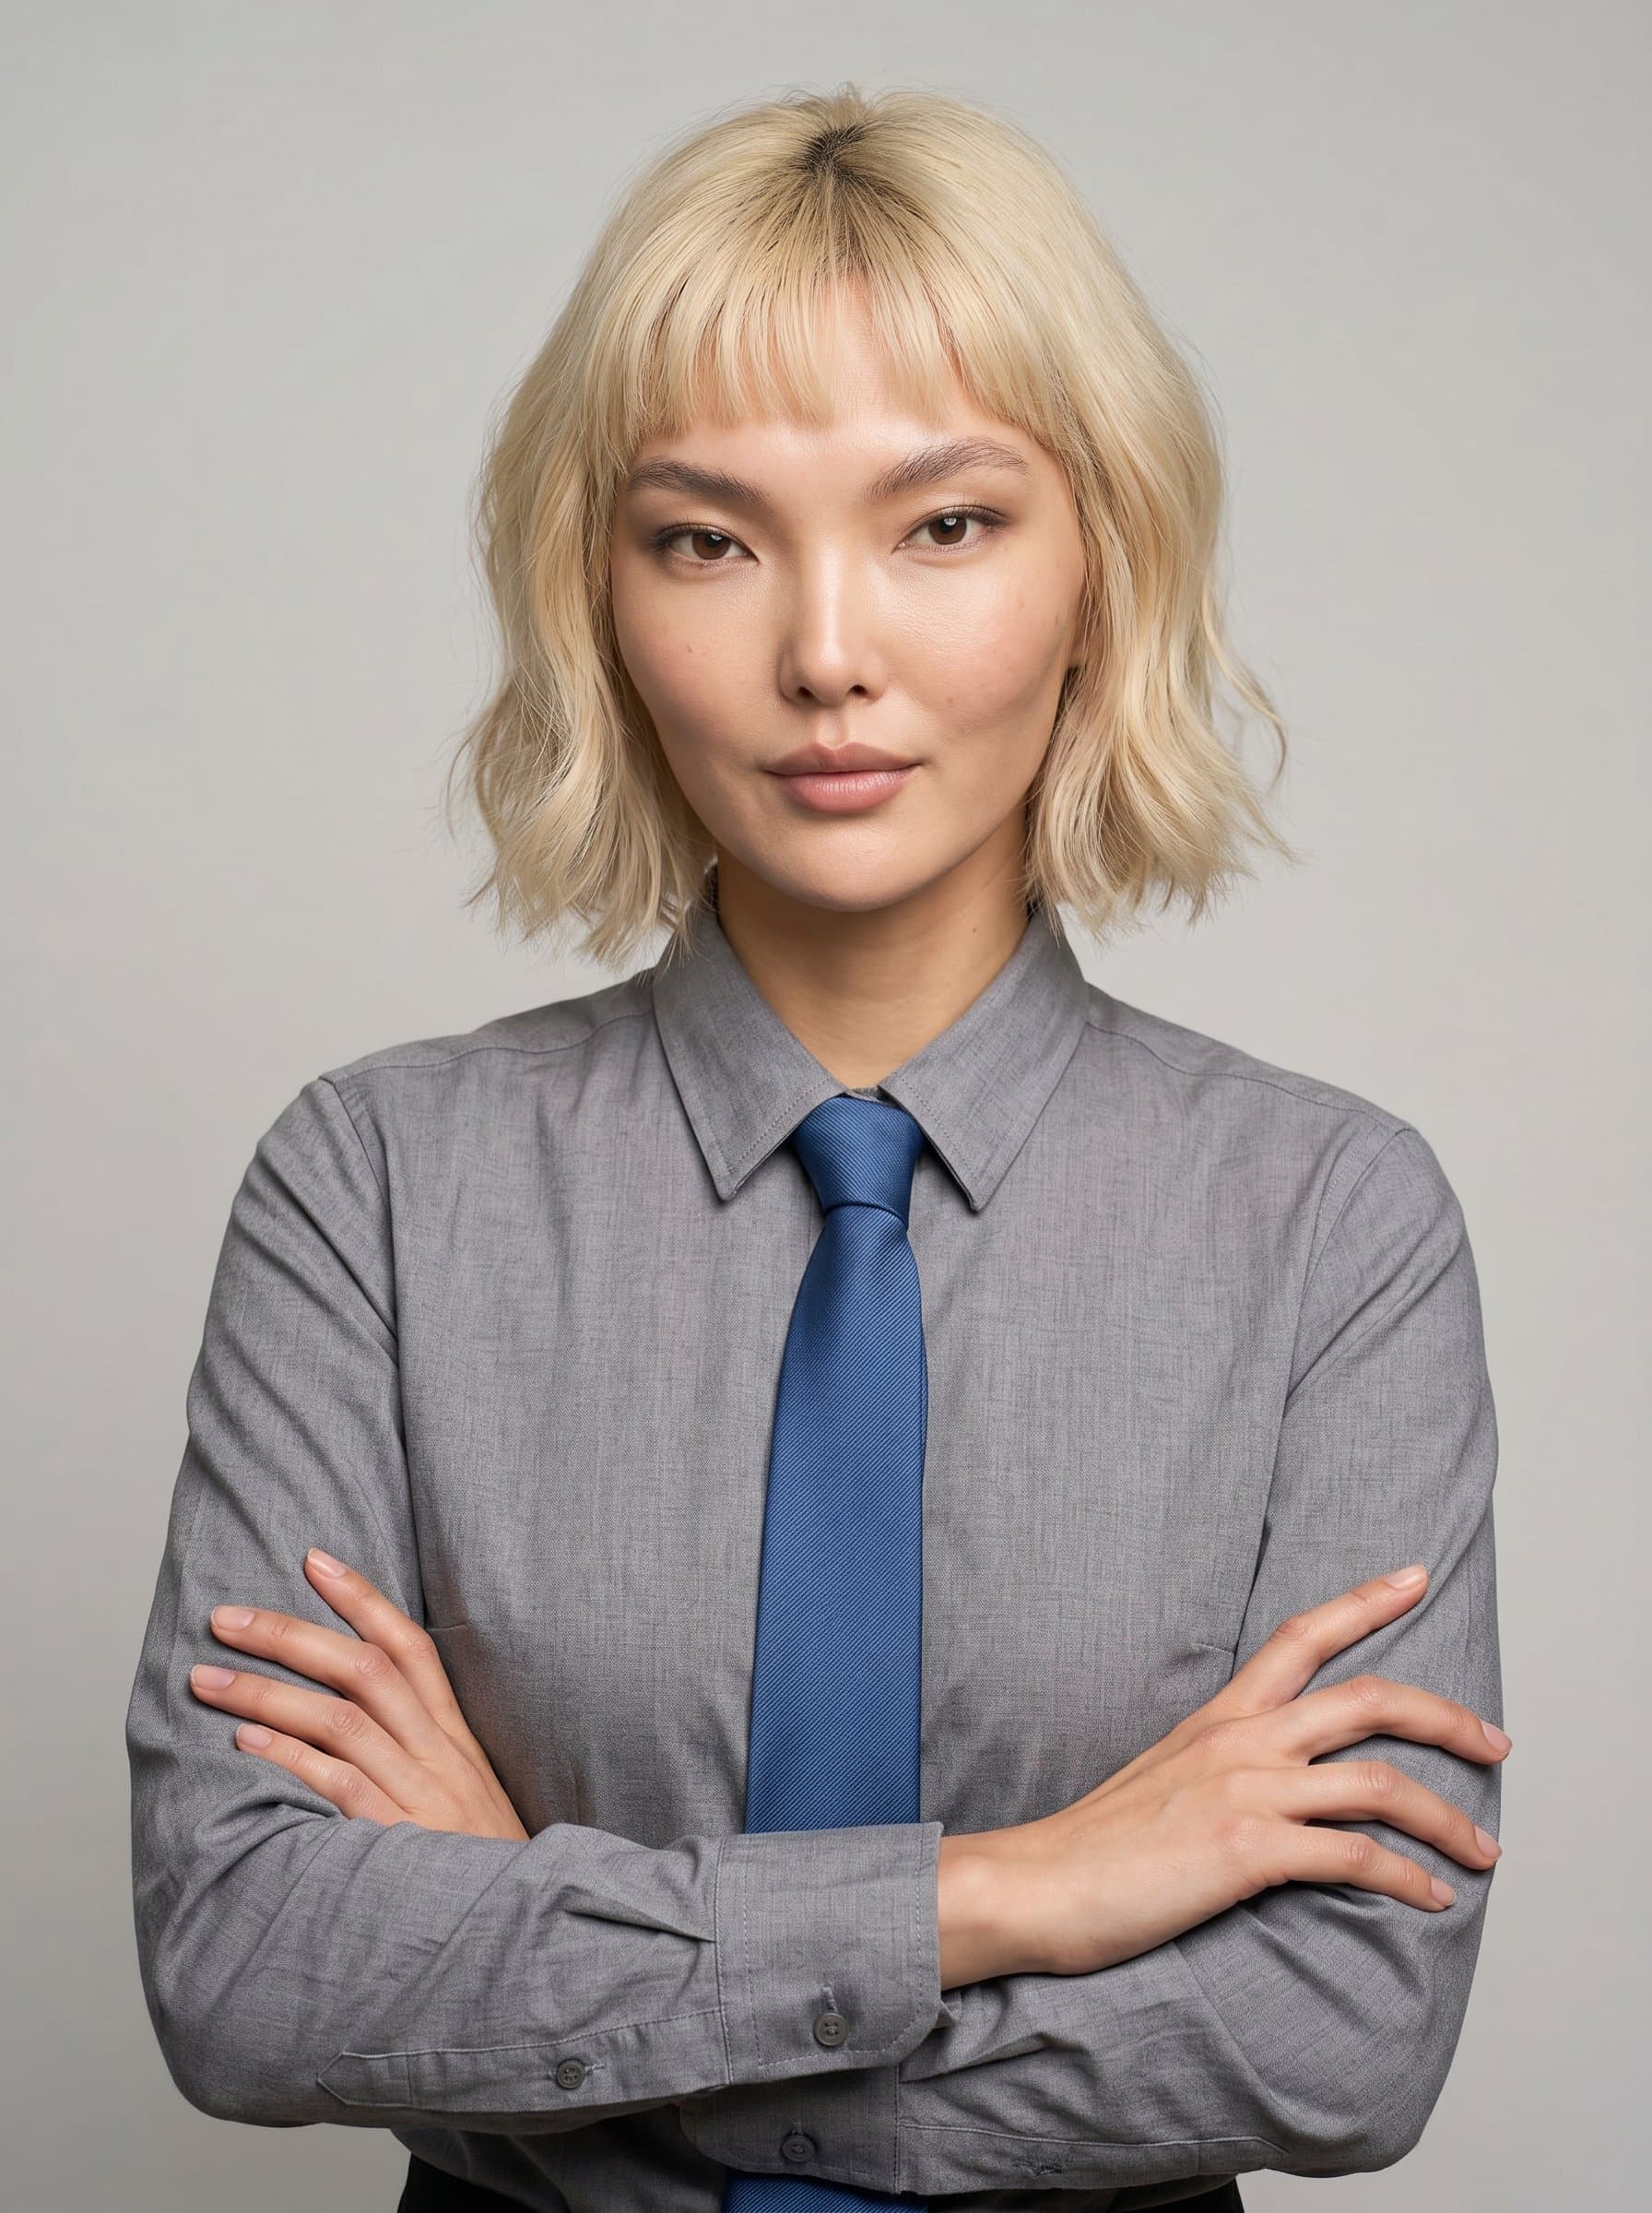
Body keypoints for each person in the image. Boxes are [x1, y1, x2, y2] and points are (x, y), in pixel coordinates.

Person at [124, 84, 1507, 2213]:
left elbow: (1333, 2041)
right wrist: (1017, 1892)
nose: (825, 655)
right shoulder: (379, 1190)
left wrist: (551, 1963)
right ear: (595, 594)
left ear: (1098, 563)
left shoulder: (1327, 1225)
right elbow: (247, 1968)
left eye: (942, 525)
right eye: (706, 538)